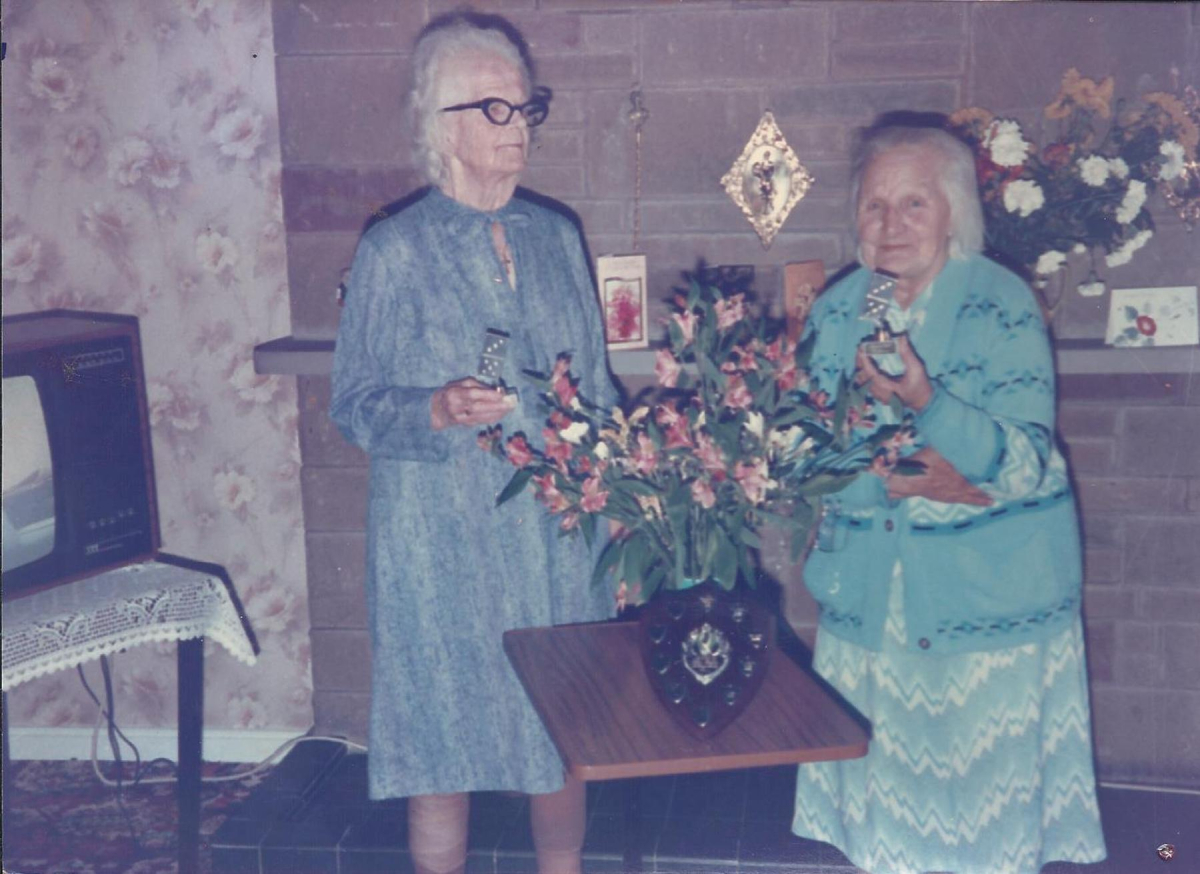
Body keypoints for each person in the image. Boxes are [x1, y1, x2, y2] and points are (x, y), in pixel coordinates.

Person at [329, 12, 616, 874]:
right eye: (498, 109)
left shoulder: (557, 237)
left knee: (563, 737)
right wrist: (436, 410)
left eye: (528, 108)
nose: (519, 127)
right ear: (441, 124)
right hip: (438, 549)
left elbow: (595, 389)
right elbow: (353, 406)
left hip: (554, 546)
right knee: (440, 745)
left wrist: (621, 506)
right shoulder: (394, 250)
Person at [790, 119, 1107, 874]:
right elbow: (804, 455)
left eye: (914, 206)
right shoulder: (837, 311)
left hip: (986, 618)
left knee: (982, 841)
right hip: (875, 612)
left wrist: (929, 403)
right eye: (874, 207)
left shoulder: (1003, 305)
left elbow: (1024, 463)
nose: (890, 226)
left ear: (953, 214)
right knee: (885, 837)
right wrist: (910, 478)